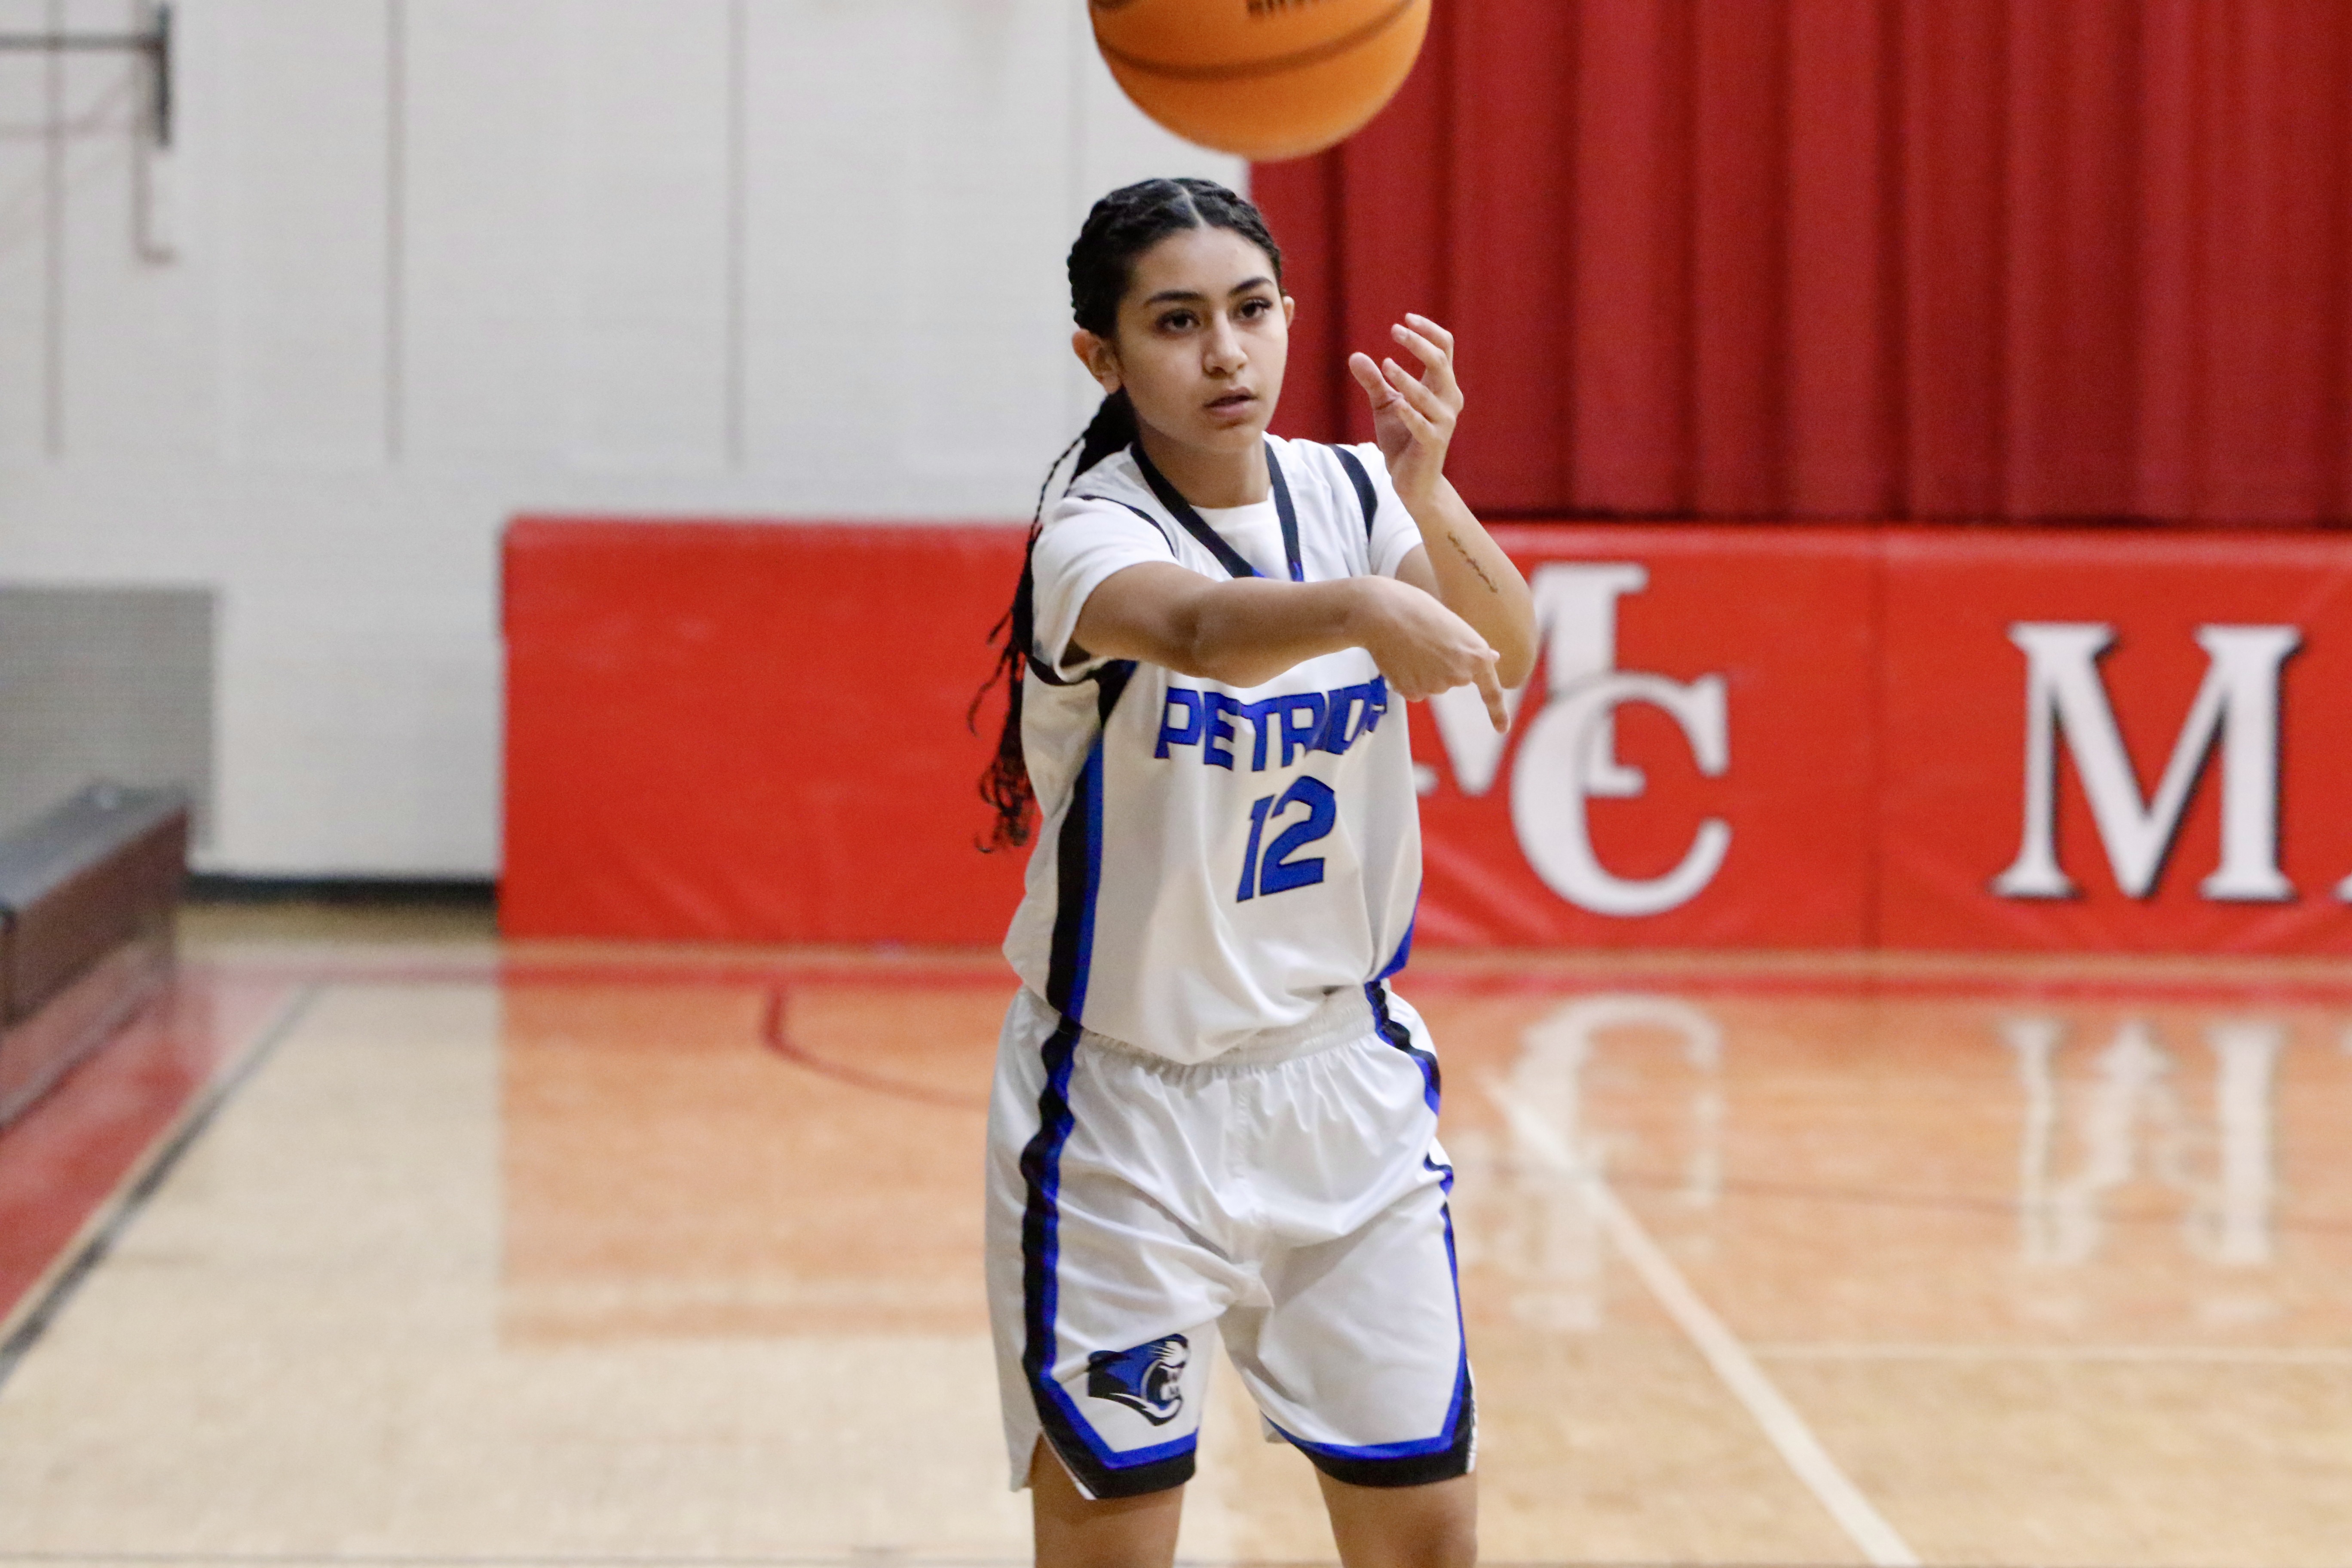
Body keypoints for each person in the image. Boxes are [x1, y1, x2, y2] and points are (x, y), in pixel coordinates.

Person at [974, 176, 1536, 1568]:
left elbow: (1507, 646)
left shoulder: (1350, 494)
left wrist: (1425, 487)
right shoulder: (1091, 538)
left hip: (1341, 1085)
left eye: (1251, 309)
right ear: (1102, 358)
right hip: (1123, 1112)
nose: (1226, 352)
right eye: (1177, 322)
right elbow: (1212, 632)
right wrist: (1359, 602)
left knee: (1427, 1545)